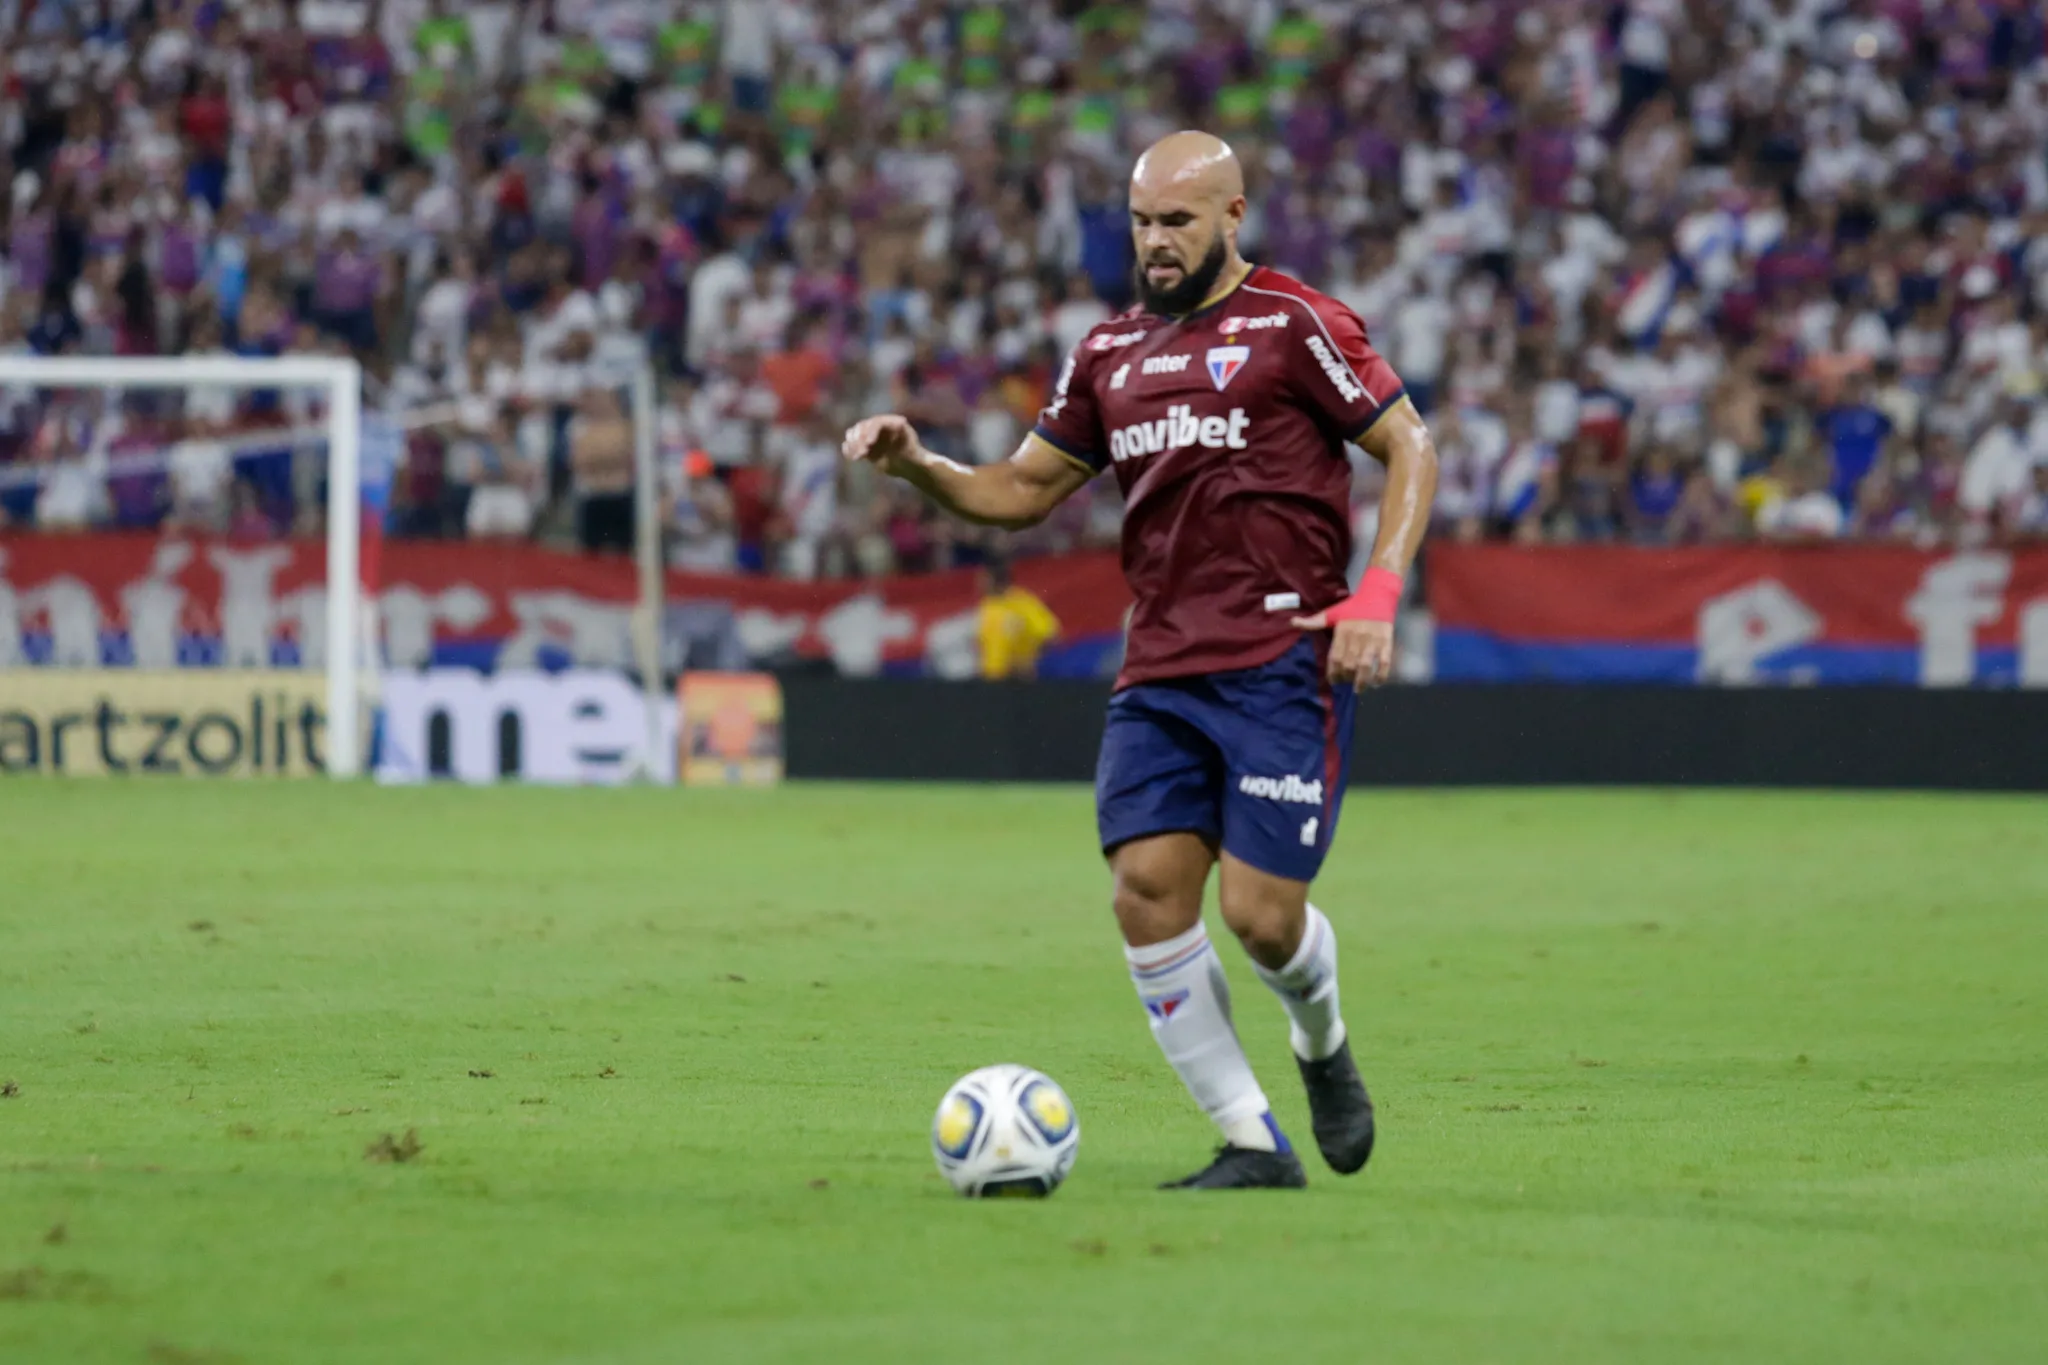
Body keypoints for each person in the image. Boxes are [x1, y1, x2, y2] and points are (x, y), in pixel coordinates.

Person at [843, 132, 1439, 1190]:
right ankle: (1252, 1144)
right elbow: (1019, 493)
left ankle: (1320, 1040)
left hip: (1279, 662)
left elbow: (1409, 445)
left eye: (1176, 221)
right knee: (1145, 893)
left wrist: (1376, 594)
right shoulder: (1107, 352)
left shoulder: (1293, 324)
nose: (1155, 243)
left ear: (1231, 218)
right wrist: (918, 466)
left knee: (1260, 919)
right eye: (1141, 223)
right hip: (1160, 668)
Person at [977, 558, 1060, 680]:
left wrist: (1026, 661)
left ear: (997, 580)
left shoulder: (1022, 602)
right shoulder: (987, 605)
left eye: (984, 579)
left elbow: (1050, 633)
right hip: (991, 678)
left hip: (1018, 678)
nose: (980, 583)